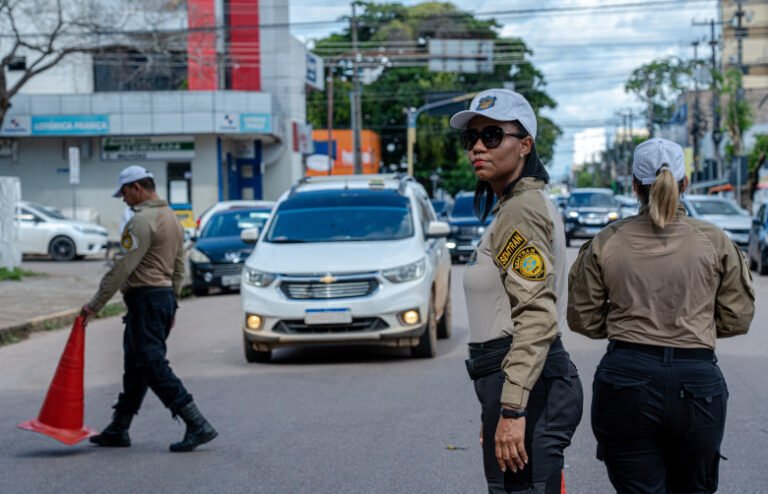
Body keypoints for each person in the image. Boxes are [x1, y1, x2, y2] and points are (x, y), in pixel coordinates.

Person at [568, 137, 755, 493]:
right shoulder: (716, 242)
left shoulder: (607, 241)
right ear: (684, 183)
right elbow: (737, 318)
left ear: (634, 185)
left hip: (625, 381)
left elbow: (583, 319)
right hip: (698, 385)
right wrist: (690, 323)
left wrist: (631, 324)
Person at [452, 89, 583, 493]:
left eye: (492, 136)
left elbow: (536, 315)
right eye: (470, 138)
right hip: (519, 382)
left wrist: (511, 407)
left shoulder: (521, 211)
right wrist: (497, 407)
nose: (478, 146)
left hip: (532, 386)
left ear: (524, 144)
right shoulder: (513, 207)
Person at [81, 165, 217, 453]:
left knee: (152, 364)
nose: (124, 200)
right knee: (136, 366)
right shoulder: (172, 217)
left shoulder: (141, 222)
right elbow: (179, 267)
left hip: (146, 300)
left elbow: (122, 267)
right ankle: (120, 427)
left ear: (138, 188)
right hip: (161, 298)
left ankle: (197, 423)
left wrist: (95, 305)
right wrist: (173, 303)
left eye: (125, 193)